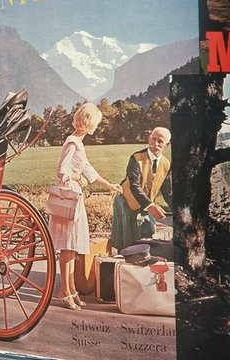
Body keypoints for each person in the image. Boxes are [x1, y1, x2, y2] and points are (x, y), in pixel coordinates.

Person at [48, 102, 122, 310]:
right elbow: (62, 172)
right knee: (67, 247)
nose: (97, 127)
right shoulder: (72, 142)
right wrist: (78, 178)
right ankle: (64, 290)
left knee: (71, 248)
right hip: (69, 196)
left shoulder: (78, 143)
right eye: (96, 123)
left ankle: (71, 290)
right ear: (89, 123)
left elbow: (89, 169)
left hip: (75, 195)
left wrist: (108, 184)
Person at [111, 126, 172, 252]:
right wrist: (151, 206)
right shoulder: (136, 158)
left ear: (167, 144)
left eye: (160, 141)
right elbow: (134, 185)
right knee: (127, 241)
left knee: (148, 232)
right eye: (153, 139)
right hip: (126, 202)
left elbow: (167, 191)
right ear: (149, 139)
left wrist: (179, 211)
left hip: (145, 203)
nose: (155, 143)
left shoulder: (166, 164)